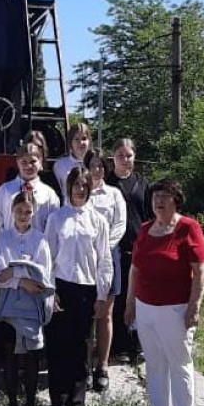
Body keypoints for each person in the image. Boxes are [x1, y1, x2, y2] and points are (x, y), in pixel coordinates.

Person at [124, 178, 204, 406]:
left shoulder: (188, 228)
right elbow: (135, 269)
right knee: (154, 363)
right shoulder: (145, 229)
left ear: (176, 200)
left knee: (179, 363)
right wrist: (130, 304)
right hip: (146, 307)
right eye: (155, 197)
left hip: (176, 308)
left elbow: (200, 270)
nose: (158, 201)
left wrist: (194, 306)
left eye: (164, 196)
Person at [43, 167, 113, 406]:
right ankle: (58, 404)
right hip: (61, 287)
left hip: (86, 288)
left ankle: (77, 401)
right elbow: (47, 257)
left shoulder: (98, 220)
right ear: (69, 187)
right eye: (76, 185)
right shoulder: (56, 218)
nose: (80, 190)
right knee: (58, 346)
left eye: (84, 185)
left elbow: (104, 260)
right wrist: (50, 291)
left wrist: (102, 295)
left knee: (81, 346)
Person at [0, 191, 53, 406]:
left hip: (31, 305)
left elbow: (43, 275)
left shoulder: (41, 239)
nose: (23, 216)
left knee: (31, 357)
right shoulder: (2, 238)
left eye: (28, 212)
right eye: (19, 211)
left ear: (34, 213)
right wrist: (22, 278)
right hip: (9, 306)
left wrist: (15, 272)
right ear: (12, 211)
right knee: (11, 357)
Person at [83, 149, 127, 393]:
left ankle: (102, 366)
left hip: (109, 256)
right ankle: (84, 367)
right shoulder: (80, 192)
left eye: (100, 165)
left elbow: (119, 225)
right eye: (93, 165)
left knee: (105, 314)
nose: (97, 170)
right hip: (83, 258)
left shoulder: (114, 194)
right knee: (85, 315)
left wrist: (103, 246)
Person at [106, 137, 153, 362]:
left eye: (129, 156)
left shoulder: (143, 183)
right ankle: (120, 346)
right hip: (115, 249)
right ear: (113, 157)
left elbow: (150, 215)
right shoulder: (107, 183)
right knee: (119, 297)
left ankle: (139, 343)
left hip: (139, 248)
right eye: (120, 156)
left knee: (140, 297)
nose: (125, 160)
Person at [0, 142, 61, 234]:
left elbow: (53, 227)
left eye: (33, 161)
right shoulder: (4, 190)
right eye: (24, 162)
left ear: (40, 161)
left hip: (37, 242)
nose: (29, 166)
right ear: (17, 162)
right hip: (9, 241)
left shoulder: (49, 195)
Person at [52, 122, 91, 201]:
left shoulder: (94, 164)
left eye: (84, 138)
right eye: (76, 139)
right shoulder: (60, 165)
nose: (81, 142)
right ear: (70, 142)